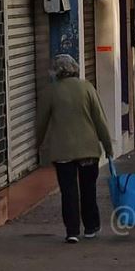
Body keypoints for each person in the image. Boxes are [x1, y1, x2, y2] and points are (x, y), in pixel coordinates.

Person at [36, 54, 113, 244]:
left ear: (56, 71)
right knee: (88, 188)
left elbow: (41, 123)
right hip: (88, 149)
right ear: (74, 68)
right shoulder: (87, 87)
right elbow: (100, 120)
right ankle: (91, 227)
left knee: (68, 190)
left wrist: (38, 144)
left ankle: (72, 230)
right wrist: (108, 145)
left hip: (62, 151)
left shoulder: (50, 92)